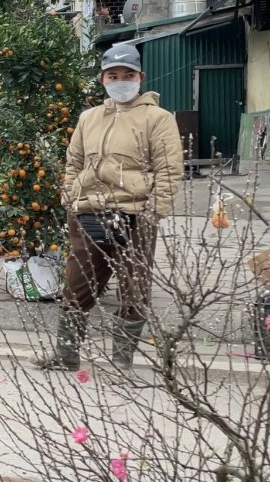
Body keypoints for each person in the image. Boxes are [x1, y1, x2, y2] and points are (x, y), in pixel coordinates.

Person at [34, 43, 183, 374]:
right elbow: (73, 162)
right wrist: (71, 199)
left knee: (134, 289)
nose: (120, 81)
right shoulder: (89, 118)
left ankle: (121, 358)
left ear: (140, 77)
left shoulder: (158, 119)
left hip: (134, 216)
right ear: (102, 80)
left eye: (127, 75)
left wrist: (152, 212)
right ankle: (67, 355)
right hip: (88, 214)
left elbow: (170, 170)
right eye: (112, 75)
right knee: (77, 284)